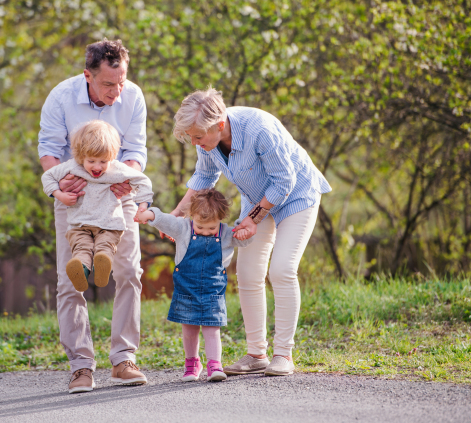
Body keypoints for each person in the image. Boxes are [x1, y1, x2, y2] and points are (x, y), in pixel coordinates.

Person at [166, 88, 332, 377]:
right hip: (257, 199)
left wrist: (254, 218)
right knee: (248, 273)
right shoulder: (205, 139)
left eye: (197, 136)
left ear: (219, 125)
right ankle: (257, 354)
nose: (194, 142)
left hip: (296, 196)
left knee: (281, 269)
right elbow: (205, 176)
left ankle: (283, 354)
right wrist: (178, 213)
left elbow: (284, 181)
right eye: (191, 137)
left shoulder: (260, 129)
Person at [38, 39, 149, 394]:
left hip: (118, 193)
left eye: (121, 81)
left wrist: (126, 180)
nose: (117, 91)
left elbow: (135, 150)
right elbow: (49, 150)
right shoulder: (61, 97)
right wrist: (62, 186)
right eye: (108, 84)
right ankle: (81, 367)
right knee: (70, 280)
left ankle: (123, 359)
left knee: (129, 271)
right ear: (88, 75)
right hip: (75, 199)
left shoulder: (132, 96)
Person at [134, 189, 253, 382]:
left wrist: (246, 230)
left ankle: (215, 365)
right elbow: (165, 220)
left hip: (213, 292)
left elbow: (246, 239)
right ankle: (192, 364)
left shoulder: (226, 234)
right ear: (192, 217)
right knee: (189, 330)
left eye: (211, 228)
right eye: (200, 227)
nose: (206, 232)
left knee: (212, 329)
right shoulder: (183, 228)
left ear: (221, 220)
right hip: (186, 290)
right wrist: (150, 214)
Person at [42, 120, 153, 294]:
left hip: (108, 224)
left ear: (112, 156)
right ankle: (81, 269)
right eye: (91, 161)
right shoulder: (73, 166)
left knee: (105, 246)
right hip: (80, 225)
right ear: (81, 156)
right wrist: (60, 195)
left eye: (103, 161)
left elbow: (143, 180)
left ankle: (102, 263)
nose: (97, 167)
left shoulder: (117, 169)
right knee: (81, 249)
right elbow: (47, 177)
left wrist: (143, 205)